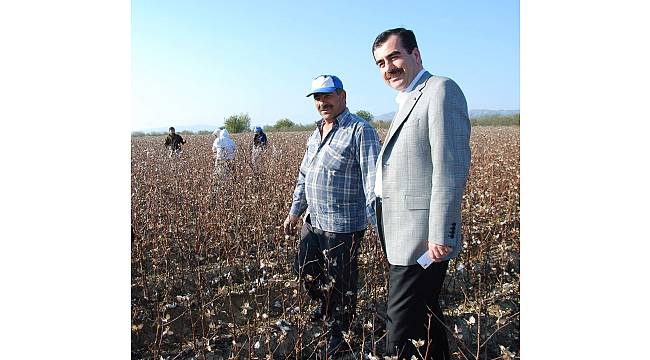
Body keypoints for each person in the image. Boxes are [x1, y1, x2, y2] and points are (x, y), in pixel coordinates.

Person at [371, 28, 471, 359]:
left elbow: (450, 167)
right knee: (425, 317)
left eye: (394, 56)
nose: (388, 68)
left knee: (400, 329)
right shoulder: (408, 99)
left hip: (423, 238)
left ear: (416, 55)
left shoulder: (440, 90)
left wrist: (441, 232)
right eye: (381, 63)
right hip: (403, 234)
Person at [283, 74, 380, 356]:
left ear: (343, 96)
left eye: (328, 95)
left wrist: (379, 225)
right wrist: (294, 213)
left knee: (341, 282)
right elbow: (304, 176)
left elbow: (373, 182)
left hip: (343, 226)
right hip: (313, 221)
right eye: (317, 97)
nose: (322, 102)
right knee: (304, 269)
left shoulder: (361, 131)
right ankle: (325, 307)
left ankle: (341, 332)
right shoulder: (316, 133)